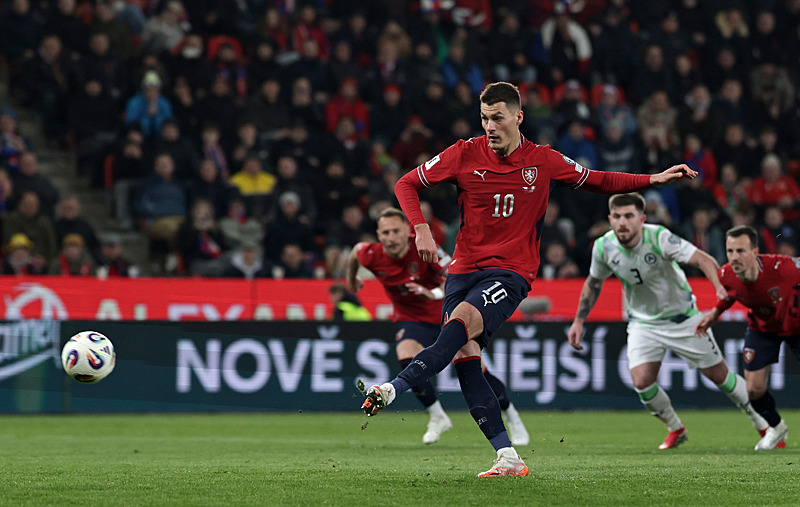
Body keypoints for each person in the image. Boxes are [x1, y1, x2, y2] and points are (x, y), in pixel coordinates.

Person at [360, 81, 697, 477]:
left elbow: (599, 180)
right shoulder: (463, 153)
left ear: (518, 117)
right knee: (466, 358)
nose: (489, 125)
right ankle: (508, 457)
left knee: (458, 326)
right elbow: (405, 183)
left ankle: (393, 388)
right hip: (463, 270)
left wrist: (652, 180)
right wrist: (419, 227)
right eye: (484, 118)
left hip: (510, 271)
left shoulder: (543, 160)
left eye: (497, 117)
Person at [567, 193, 771, 450]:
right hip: (643, 322)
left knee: (720, 376)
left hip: (683, 318)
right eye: (617, 217)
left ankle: (763, 423)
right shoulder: (603, 247)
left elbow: (703, 259)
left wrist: (719, 287)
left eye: (629, 216)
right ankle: (676, 428)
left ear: (641, 219)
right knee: (641, 381)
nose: (622, 223)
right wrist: (578, 321)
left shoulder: (658, 237)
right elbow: (593, 283)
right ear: (610, 219)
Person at [348, 208, 530, 446]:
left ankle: (512, 414)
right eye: (385, 233)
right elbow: (354, 253)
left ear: (408, 231)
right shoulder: (371, 254)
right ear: (378, 235)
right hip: (410, 318)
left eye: (395, 231)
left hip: (446, 315)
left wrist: (429, 292)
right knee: (405, 355)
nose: (391, 237)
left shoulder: (426, 248)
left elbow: (454, 279)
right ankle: (437, 416)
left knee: (475, 368)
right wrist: (352, 280)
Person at [696, 225, 800, 450]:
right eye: (730, 251)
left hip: (796, 325)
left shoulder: (783, 267)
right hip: (762, 328)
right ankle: (776, 427)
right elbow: (731, 294)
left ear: (755, 252)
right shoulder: (726, 275)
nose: (734, 257)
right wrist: (714, 314)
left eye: (741, 251)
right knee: (753, 390)